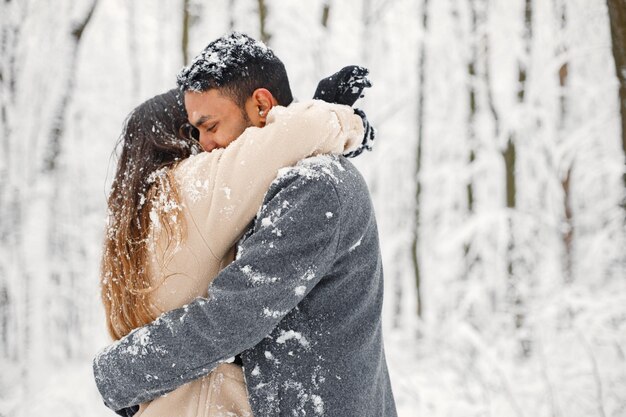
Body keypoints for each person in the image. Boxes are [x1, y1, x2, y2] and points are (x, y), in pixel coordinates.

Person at [93, 32, 397, 417]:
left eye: (210, 125)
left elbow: (234, 313)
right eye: (194, 132)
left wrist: (118, 373)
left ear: (261, 105)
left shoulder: (314, 185)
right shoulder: (276, 184)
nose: (204, 145)